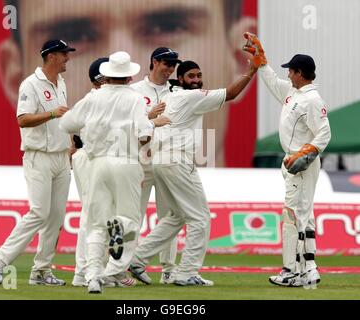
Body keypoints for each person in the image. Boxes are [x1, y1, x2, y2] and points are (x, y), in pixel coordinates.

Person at [0, 0, 256, 167]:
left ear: (233, 55)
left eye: (167, 25)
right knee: (112, 221)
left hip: (155, 163)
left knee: (143, 221)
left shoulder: (180, 94)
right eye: (80, 32)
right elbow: (74, 124)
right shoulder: (124, 95)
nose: (125, 46)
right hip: (117, 164)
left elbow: (72, 123)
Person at [129, 39, 260, 286]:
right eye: (191, 76)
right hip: (176, 161)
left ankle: (136, 259)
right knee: (200, 217)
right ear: (180, 80)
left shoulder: (173, 96)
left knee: (176, 216)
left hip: (161, 160)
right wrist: (251, 70)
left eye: (199, 75)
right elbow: (231, 94)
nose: (197, 79)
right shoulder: (190, 97)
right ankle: (186, 271)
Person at [59, 51, 171, 293]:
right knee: (129, 219)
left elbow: (66, 124)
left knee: (96, 224)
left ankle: (93, 278)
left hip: (97, 162)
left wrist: (91, 125)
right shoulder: (135, 99)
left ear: (108, 75)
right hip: (126, 160)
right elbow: (144, 134)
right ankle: (117, 228)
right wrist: (150, 124)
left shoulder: (94, 98)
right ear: (129, 77)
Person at [243, 33, 331, 288]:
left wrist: (307, 152)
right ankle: (309, 268)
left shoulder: (312, 100)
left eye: (291, 71)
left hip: (301, 163)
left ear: (300, 73)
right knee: (304, 214)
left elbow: (325, 132)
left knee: (292, 215)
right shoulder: (294, 94)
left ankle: (292, 270)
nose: (288, 76)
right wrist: (261, 60)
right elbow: (273, 82)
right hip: (294, 161)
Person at [0, 39, 76, 285]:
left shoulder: (61, 83)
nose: (68, 58)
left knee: (56, 217)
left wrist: (69, 143)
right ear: (50, 56)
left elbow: (62, 120)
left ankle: (41, 271)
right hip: (38, 156)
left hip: (60, 157)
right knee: (39, 212)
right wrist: (50, 113)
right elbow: (23, 119)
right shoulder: (31, 84)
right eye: (64, 54)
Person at [131, 47, 181, 284]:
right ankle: (128, 265)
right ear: (154, 62)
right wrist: (150, 117)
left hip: (168, 160)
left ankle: (169, 269)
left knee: (169, 215)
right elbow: (128, 125)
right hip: (141, 161)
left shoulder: (177, 91)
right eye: (166, 63)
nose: (170, 68)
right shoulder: (135, 91)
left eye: (173, 64)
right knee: (134, 215)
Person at [71, 57, 109, 287]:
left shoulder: (96, 98)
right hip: (91, 157)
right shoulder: (96, 99)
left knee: (98, 215)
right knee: (92, 214)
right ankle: (83, 271)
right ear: (100, 80)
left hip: (93, 156)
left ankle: (89, 270)